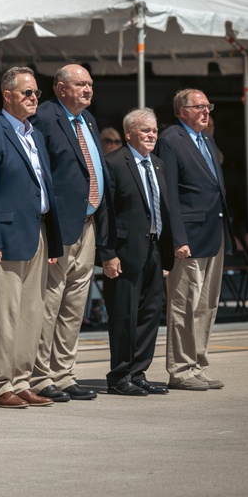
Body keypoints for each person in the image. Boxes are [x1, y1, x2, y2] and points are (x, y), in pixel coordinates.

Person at [0, 67, 62, 409]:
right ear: (7, 96)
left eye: (36, 92)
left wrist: (51, 239)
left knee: (31, 313)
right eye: (27, 93)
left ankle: (22, 379)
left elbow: (44, 187)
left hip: (36, 230)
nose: (34, 98)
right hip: (5, 237)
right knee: (5, 315)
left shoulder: (35, 135)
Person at [29, 64, 105, 403]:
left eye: (90, 84)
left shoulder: (88, 120)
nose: (88, 89)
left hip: (87, 223)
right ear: (60, 89)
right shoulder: (45, 118)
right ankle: (40, 375)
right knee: (50, 302)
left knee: (75, 304)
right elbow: (41, 174)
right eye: (80, 84)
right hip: (58, 227)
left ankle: (64, 372)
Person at [155, 89, 232, 391]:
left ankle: (197, 363)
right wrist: (177, 237)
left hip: (213, 232)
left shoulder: (207, 140)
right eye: (198, 107)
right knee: (184, 303)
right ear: (181, 110)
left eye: (208, 106)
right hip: (188, 236)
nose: (206, 111)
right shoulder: (171, 139)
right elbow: (169, 193)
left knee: (206, 304)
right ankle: (181, 368)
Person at [98, 108, 178, 396]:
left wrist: (166, 254)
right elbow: (106, 212)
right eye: (145, 130)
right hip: (124, 252)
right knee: (123, 315)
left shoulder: (157, 164)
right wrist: (107, 253)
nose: (151, 135)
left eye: (154, 130)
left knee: (149, 314)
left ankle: (138, 371)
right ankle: (120, 376)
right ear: (129, 133)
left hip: (155, 250)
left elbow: (165, 210)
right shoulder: (115, 163)